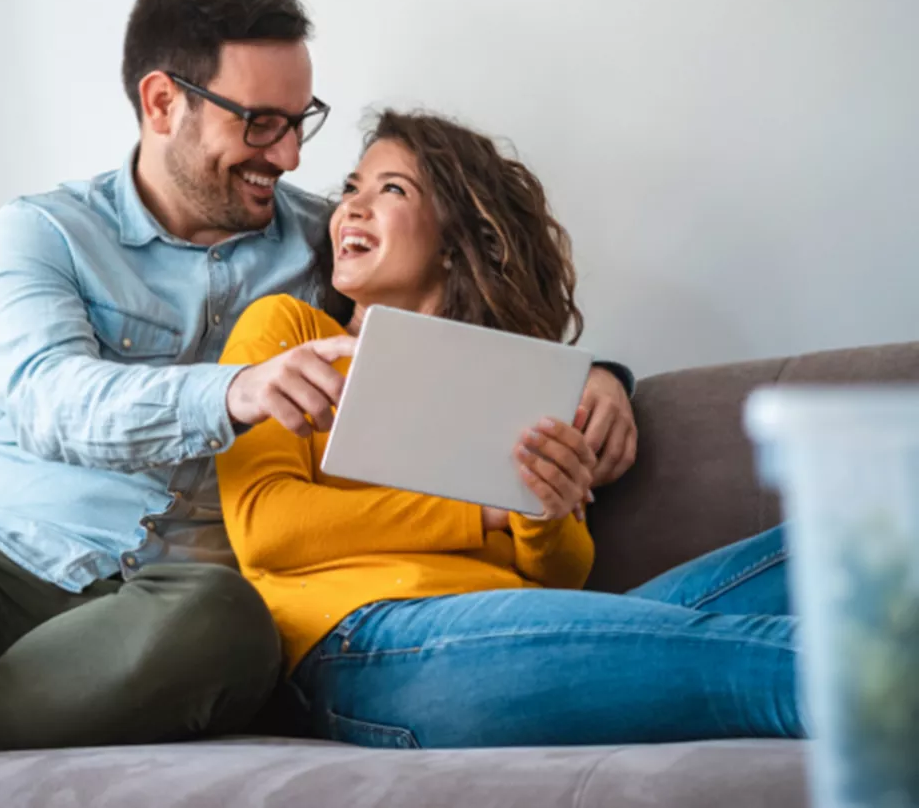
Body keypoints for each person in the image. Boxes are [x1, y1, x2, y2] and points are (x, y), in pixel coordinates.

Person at [0, 0, 639, 807]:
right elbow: (49, 399)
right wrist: (229, 393)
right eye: (260, 123)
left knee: (223, 631)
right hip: (2, 549)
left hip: (179, 603)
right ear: (163, 102)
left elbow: (453, 318)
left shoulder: (320, 241)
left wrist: (599, 376)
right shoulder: (41, 232)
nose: (289, 155)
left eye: (300, 121)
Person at [216, 109, 805, 748]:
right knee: (775, 662)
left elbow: (557, 575)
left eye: (391, 189)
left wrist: (541, 510)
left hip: (513, 625)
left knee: (855, 537)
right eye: (351, 187)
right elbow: (266, 528)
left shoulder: (507, 376)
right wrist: (482, 512)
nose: (352, 208)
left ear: (451, 239)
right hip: (363, 641)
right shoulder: (290, 332)